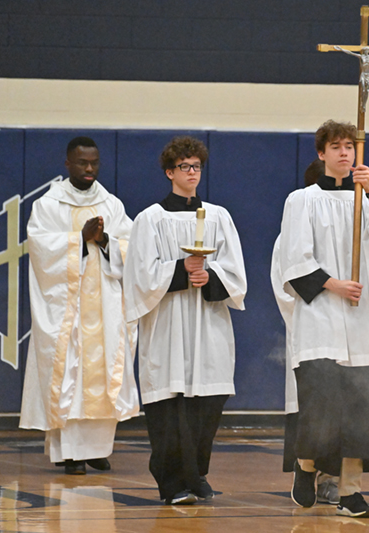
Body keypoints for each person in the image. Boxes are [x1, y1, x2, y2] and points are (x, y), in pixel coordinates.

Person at [276, 120, 369, 518]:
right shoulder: (302, 200)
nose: (344, 153)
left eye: (350, 147)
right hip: (321, 318)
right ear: (322, 154)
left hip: (363, 321)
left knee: (362, 412)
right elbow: (294, 259)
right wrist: (333, 284)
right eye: (335, 147)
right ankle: (306, 465)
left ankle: (351, 492)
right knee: (321, 409)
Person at [123, 136, 246, 505]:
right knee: (170, 406)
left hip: (208, 323)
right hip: (168, 326)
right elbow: (140, 277)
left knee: (206, 405)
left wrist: (210, 276)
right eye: (184, 167)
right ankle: (173, 482)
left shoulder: (219, 217)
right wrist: (181, 269)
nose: (192, 173)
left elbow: (236, 274)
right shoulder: (150, 219)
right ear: (169, 172)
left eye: (197, 167)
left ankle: (197, 475)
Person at [20, 136, 139, 475]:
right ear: (68, 164)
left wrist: (105, 240)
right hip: (67, 309)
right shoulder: (49, 205)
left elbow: (132, 247)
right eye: (82, 162)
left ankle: (97, 450)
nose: (89, 168)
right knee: (70, 375)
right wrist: (79, 240)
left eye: (94, 163)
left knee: (104, 372)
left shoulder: (111, 204)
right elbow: (40, 249)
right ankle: (71, 453)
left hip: (105, 305)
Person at [273, 158, 339, 506]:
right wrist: (322, 311)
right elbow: (285, 289)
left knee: (348, 409)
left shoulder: (357, 226)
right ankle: (307, 468)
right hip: (313, 331)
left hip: (352, 334)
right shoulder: (290, 235)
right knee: (314, 408)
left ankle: (335, 479)